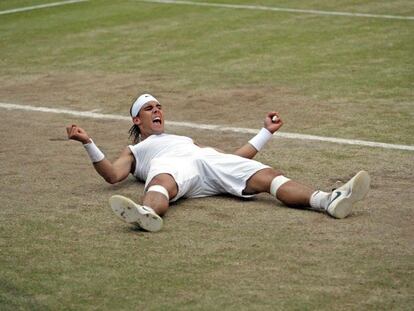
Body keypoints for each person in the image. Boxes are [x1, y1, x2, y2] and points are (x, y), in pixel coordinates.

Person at [66, 93, 370, 232]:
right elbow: (112, 175)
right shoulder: (137, 150)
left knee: (268, 176)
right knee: (162, 183)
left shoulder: (184, 139)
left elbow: (231, 159)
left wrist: (264, 133)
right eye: (149, 108)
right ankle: (147, 213)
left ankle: (327, 200)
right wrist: (88, 142)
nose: (157, 110)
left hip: (208, 162)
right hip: (172, 169)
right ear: (137, 118)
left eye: (159, 106)